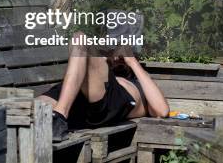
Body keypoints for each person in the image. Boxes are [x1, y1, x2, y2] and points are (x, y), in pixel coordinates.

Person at [39, 32, 169, 141]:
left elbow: (162, 111)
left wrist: (132, 61)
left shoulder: (140, 80)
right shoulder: (105, 68)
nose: (119, 57)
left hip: (109, 101)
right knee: (35, 107)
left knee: (80, 38)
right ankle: (53, 117)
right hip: (77, 100)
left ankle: (59, 117)